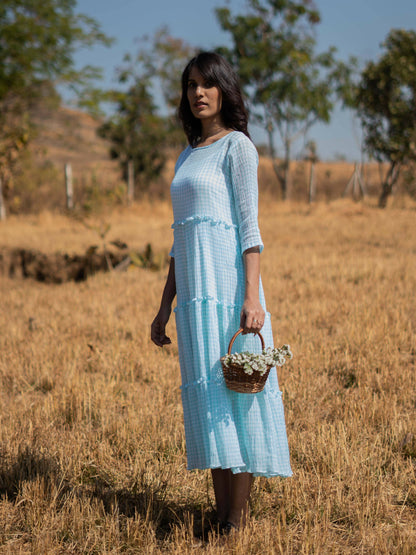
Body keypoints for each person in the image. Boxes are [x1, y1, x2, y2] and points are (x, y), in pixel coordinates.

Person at [151, 52, 292, 533]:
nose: (197, 93)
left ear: (224, 89)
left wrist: (251, 299)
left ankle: (236, 519)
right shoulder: (186, 156)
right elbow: (179, 238)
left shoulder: (238, 148)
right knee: (210, 401)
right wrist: (165, 305)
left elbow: (250, 231)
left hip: (231, 292)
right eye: (190, 85)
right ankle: (217, 514)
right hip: (194, 299)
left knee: (239, 398)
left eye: (207, 84)